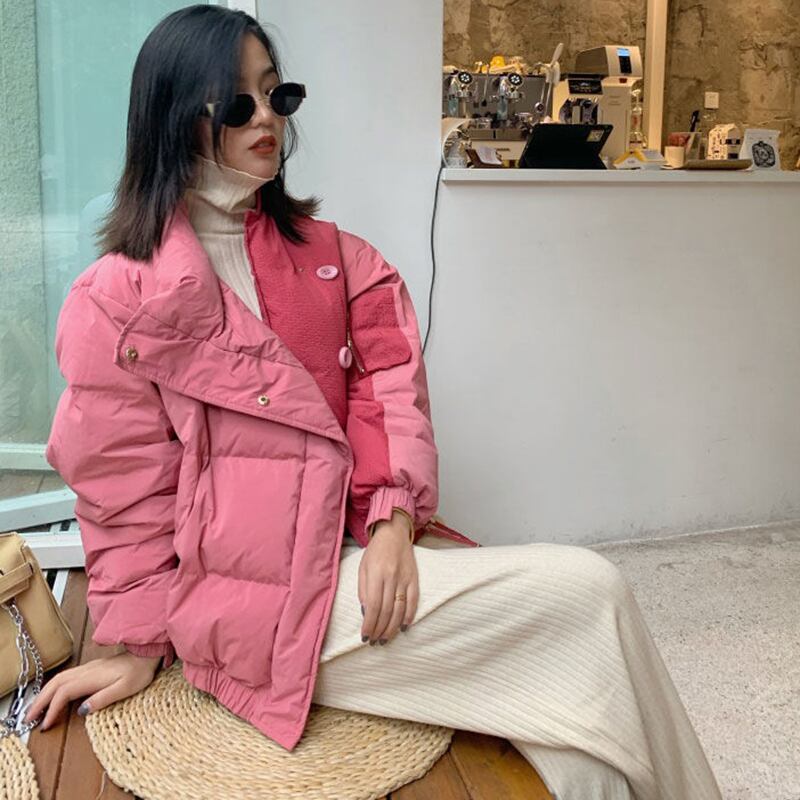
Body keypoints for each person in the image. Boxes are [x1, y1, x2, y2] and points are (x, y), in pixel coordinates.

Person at [23, 6, 723, 799]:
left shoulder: (340, 259)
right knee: (590, 597)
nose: (268, 119)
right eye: (239, 103)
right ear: (176, 116)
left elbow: (388, 392)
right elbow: (122, 490)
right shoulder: (118, 300)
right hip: (247, 604)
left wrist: (393, 520)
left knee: (576, 733)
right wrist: (138, 643)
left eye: (278, 95)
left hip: (352, 555)